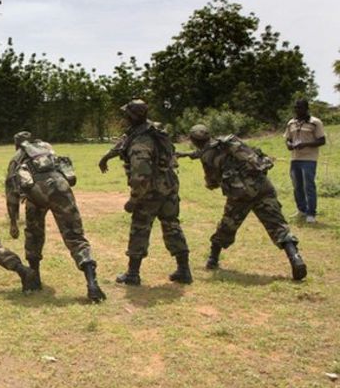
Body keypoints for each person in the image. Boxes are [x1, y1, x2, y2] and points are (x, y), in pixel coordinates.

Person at [183, 124, 306, 280]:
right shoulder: (230, 141)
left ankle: (212, 259)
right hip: (262, 187)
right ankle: (295, 258)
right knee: (277, 225)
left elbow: (212, 182)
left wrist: (212, 181)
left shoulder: (207, 156)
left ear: (193, 141)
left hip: (240, 195)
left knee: (226, 226)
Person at [6, 132, 106, 302]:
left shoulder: (17, 157)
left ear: (17, 144)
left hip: (37, 194)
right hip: (61, 188)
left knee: (34, 234)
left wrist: (13, 221)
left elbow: (12, 192)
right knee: (75, 236)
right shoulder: (46, 148)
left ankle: (35, 279)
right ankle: (92, 283)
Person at [106, 100, 192, 286]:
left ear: (133, 117)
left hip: (150, 192)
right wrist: (106, 156)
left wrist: (133, 199)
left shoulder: (140, 142)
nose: (124, 118)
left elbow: (141, 176)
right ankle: (184, 270)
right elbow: (122, 143)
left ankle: (132, 274)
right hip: (169, 186)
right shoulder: (154, 130)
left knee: (139, 228)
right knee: (172, 225)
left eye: (126, 115)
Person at [284, 98, 326, 223]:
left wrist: (306, 144)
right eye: (296, 107)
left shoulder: (315, 122)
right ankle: (301, 210)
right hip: (295, 158)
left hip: (309, 159)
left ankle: (311, 213)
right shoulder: (291, 122)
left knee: (309, 186)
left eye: (300, 107)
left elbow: (322, 140)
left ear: (306, 109)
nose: (297, 110)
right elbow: (287, 138)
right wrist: (289, 145)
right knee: (297, 186)